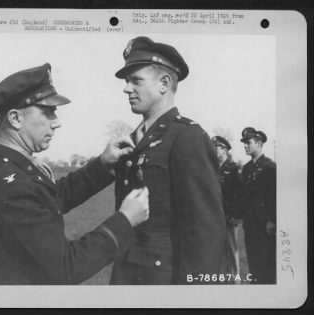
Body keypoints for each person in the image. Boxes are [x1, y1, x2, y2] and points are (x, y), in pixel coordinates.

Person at [0, 63, 150, 285]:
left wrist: (102, 166)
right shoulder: (13, 186)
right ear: (16, 118)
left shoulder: (8, 169)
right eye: (48, 112)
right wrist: (124, 221)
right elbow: (67, 268)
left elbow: (51, 200)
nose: (57, 122)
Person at [110, 36, 228, 285]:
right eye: (126, 81)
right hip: (127, 275)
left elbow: (205, 234)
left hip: (163, 281)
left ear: (164, 84)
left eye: (135, 81)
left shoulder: (187, 136)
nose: (126, 88)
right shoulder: (131, 141)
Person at [239, 127, 276, 284]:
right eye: (244, 143)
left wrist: (271, 220)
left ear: (259, 144)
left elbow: (273, 197)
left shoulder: (269, 167)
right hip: (250, 223)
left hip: (263, 223)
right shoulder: (247, 169)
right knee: (253, 259)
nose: (245, 146)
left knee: (266, 261)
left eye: (249, 143)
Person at [212, 136, 243, 281]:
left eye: (216, 147)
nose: (213, 150)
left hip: (229, 215)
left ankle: (236, 276)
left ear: (223, 150)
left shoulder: (232, 168)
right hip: (217, 215)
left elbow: (238, 194)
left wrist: (235, 215)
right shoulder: (213, 168)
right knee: (219, 247)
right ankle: (225, 275)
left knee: (232, 247)